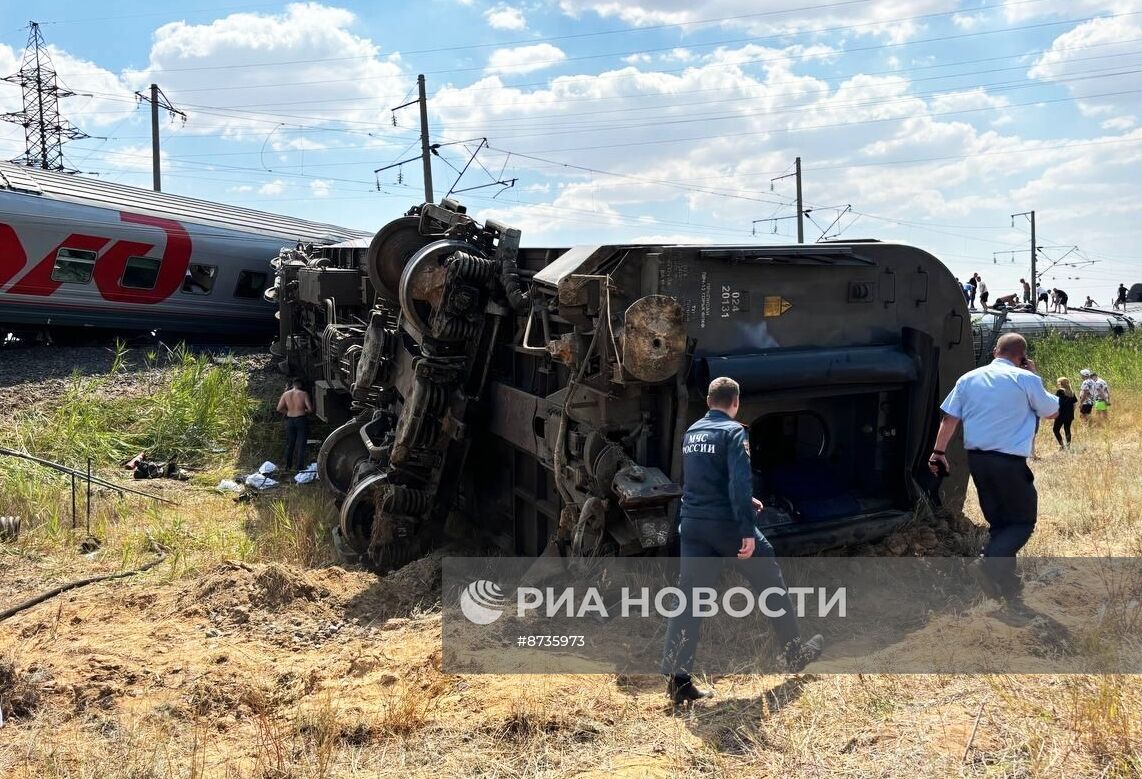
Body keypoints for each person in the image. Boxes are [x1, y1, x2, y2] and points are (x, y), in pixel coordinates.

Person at [661, 377, 823, 705]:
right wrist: (747, 530)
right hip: (727, 527)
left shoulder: (692, 432)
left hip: (693, 525)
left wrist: (745, 501)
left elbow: (700, 480)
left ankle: (678, 682)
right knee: (770, 580)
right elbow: (738, 480)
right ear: (735, 403)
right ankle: (794, 654)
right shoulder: (734, 432)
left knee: (689, 599)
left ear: (709, 402)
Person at [929, 333, 1058, 618]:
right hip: (1009, 462)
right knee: (1022, 522)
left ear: (995, 352)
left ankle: (1007, 587)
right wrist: (1035, 376)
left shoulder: (969, 379)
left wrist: (938, 452)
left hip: (978, 461)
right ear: (1021, 357)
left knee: (1000, 522)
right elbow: (1051, 412)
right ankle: (988, 564)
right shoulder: (1026, 380)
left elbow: (949, 419)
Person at [277, 378, 313, 471]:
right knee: (301, 444)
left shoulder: (285, 394)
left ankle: (288, 466)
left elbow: (279, 408)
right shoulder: (303, 394)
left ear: (293, 384)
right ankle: (299, 468)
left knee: (290, 444)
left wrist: (289, 411)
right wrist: (303, 410)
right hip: (301, 420)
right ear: (300, 385)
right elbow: (310, 409)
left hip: (290, 421)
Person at [1053, 378, 1077, 449]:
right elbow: (1074, 405)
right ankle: (1068, 446)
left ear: (1061, 383)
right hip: (1069, 414)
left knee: (1055, 429)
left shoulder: (1060, 391)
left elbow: (1056, 402)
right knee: (1067, 429)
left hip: (1060, 414)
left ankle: (1062, 446)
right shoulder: (1071, 392)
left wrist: (1055, 412)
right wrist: (1071, 412)